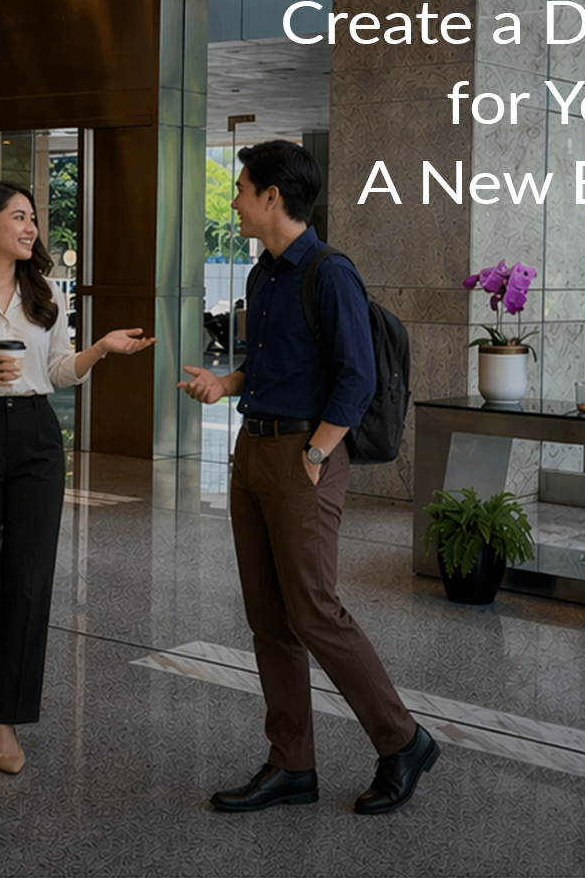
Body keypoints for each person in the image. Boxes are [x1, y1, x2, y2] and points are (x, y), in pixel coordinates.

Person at [178, 140, 437, 816]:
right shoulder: (262, 276)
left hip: (303, 458)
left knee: (314, 610)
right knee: (269, 618)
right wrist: (224, 383)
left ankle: (402, 739)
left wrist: (318, 455)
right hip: (254, 450)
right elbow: (268, 369)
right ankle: (291, 762)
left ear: (272, 196)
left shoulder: (330, 272)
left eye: (240, 189)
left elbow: (359, 377)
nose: (233, 201)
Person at [0, 181, 154, 774]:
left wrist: (98, 350)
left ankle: (5, 721)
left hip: (38, 440)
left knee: (29, 583)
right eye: (18, 217)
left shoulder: (45, 295)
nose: (31, 228)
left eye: (34, 218)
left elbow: (57, 369)